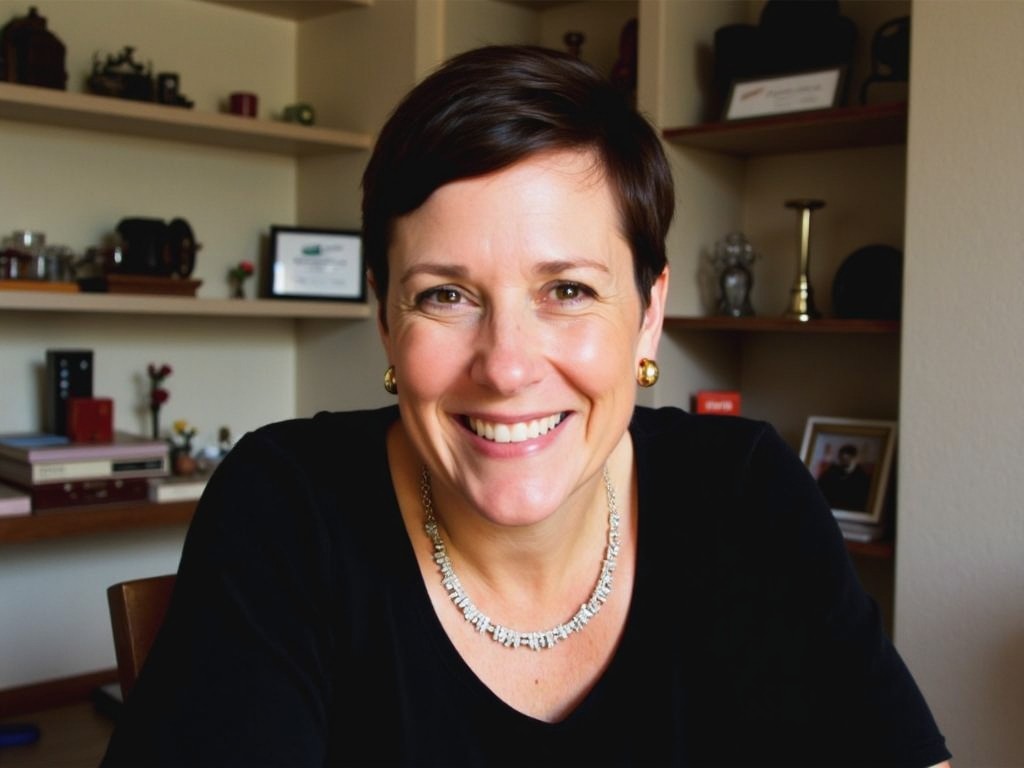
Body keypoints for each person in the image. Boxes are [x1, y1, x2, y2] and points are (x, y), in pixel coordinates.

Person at [101, 45, 951, 767]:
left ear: (648, 315)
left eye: (569, 289)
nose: (506, 366)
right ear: (384, 319)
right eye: (444, 297)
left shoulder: (746, 489)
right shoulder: (287, 503)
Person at [817, 442, 872, 512]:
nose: (844, 462)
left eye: (848, 459)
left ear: (855, 458)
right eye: (842, 459)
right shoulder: (830, 472)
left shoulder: (862, 477)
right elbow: (820, 490)